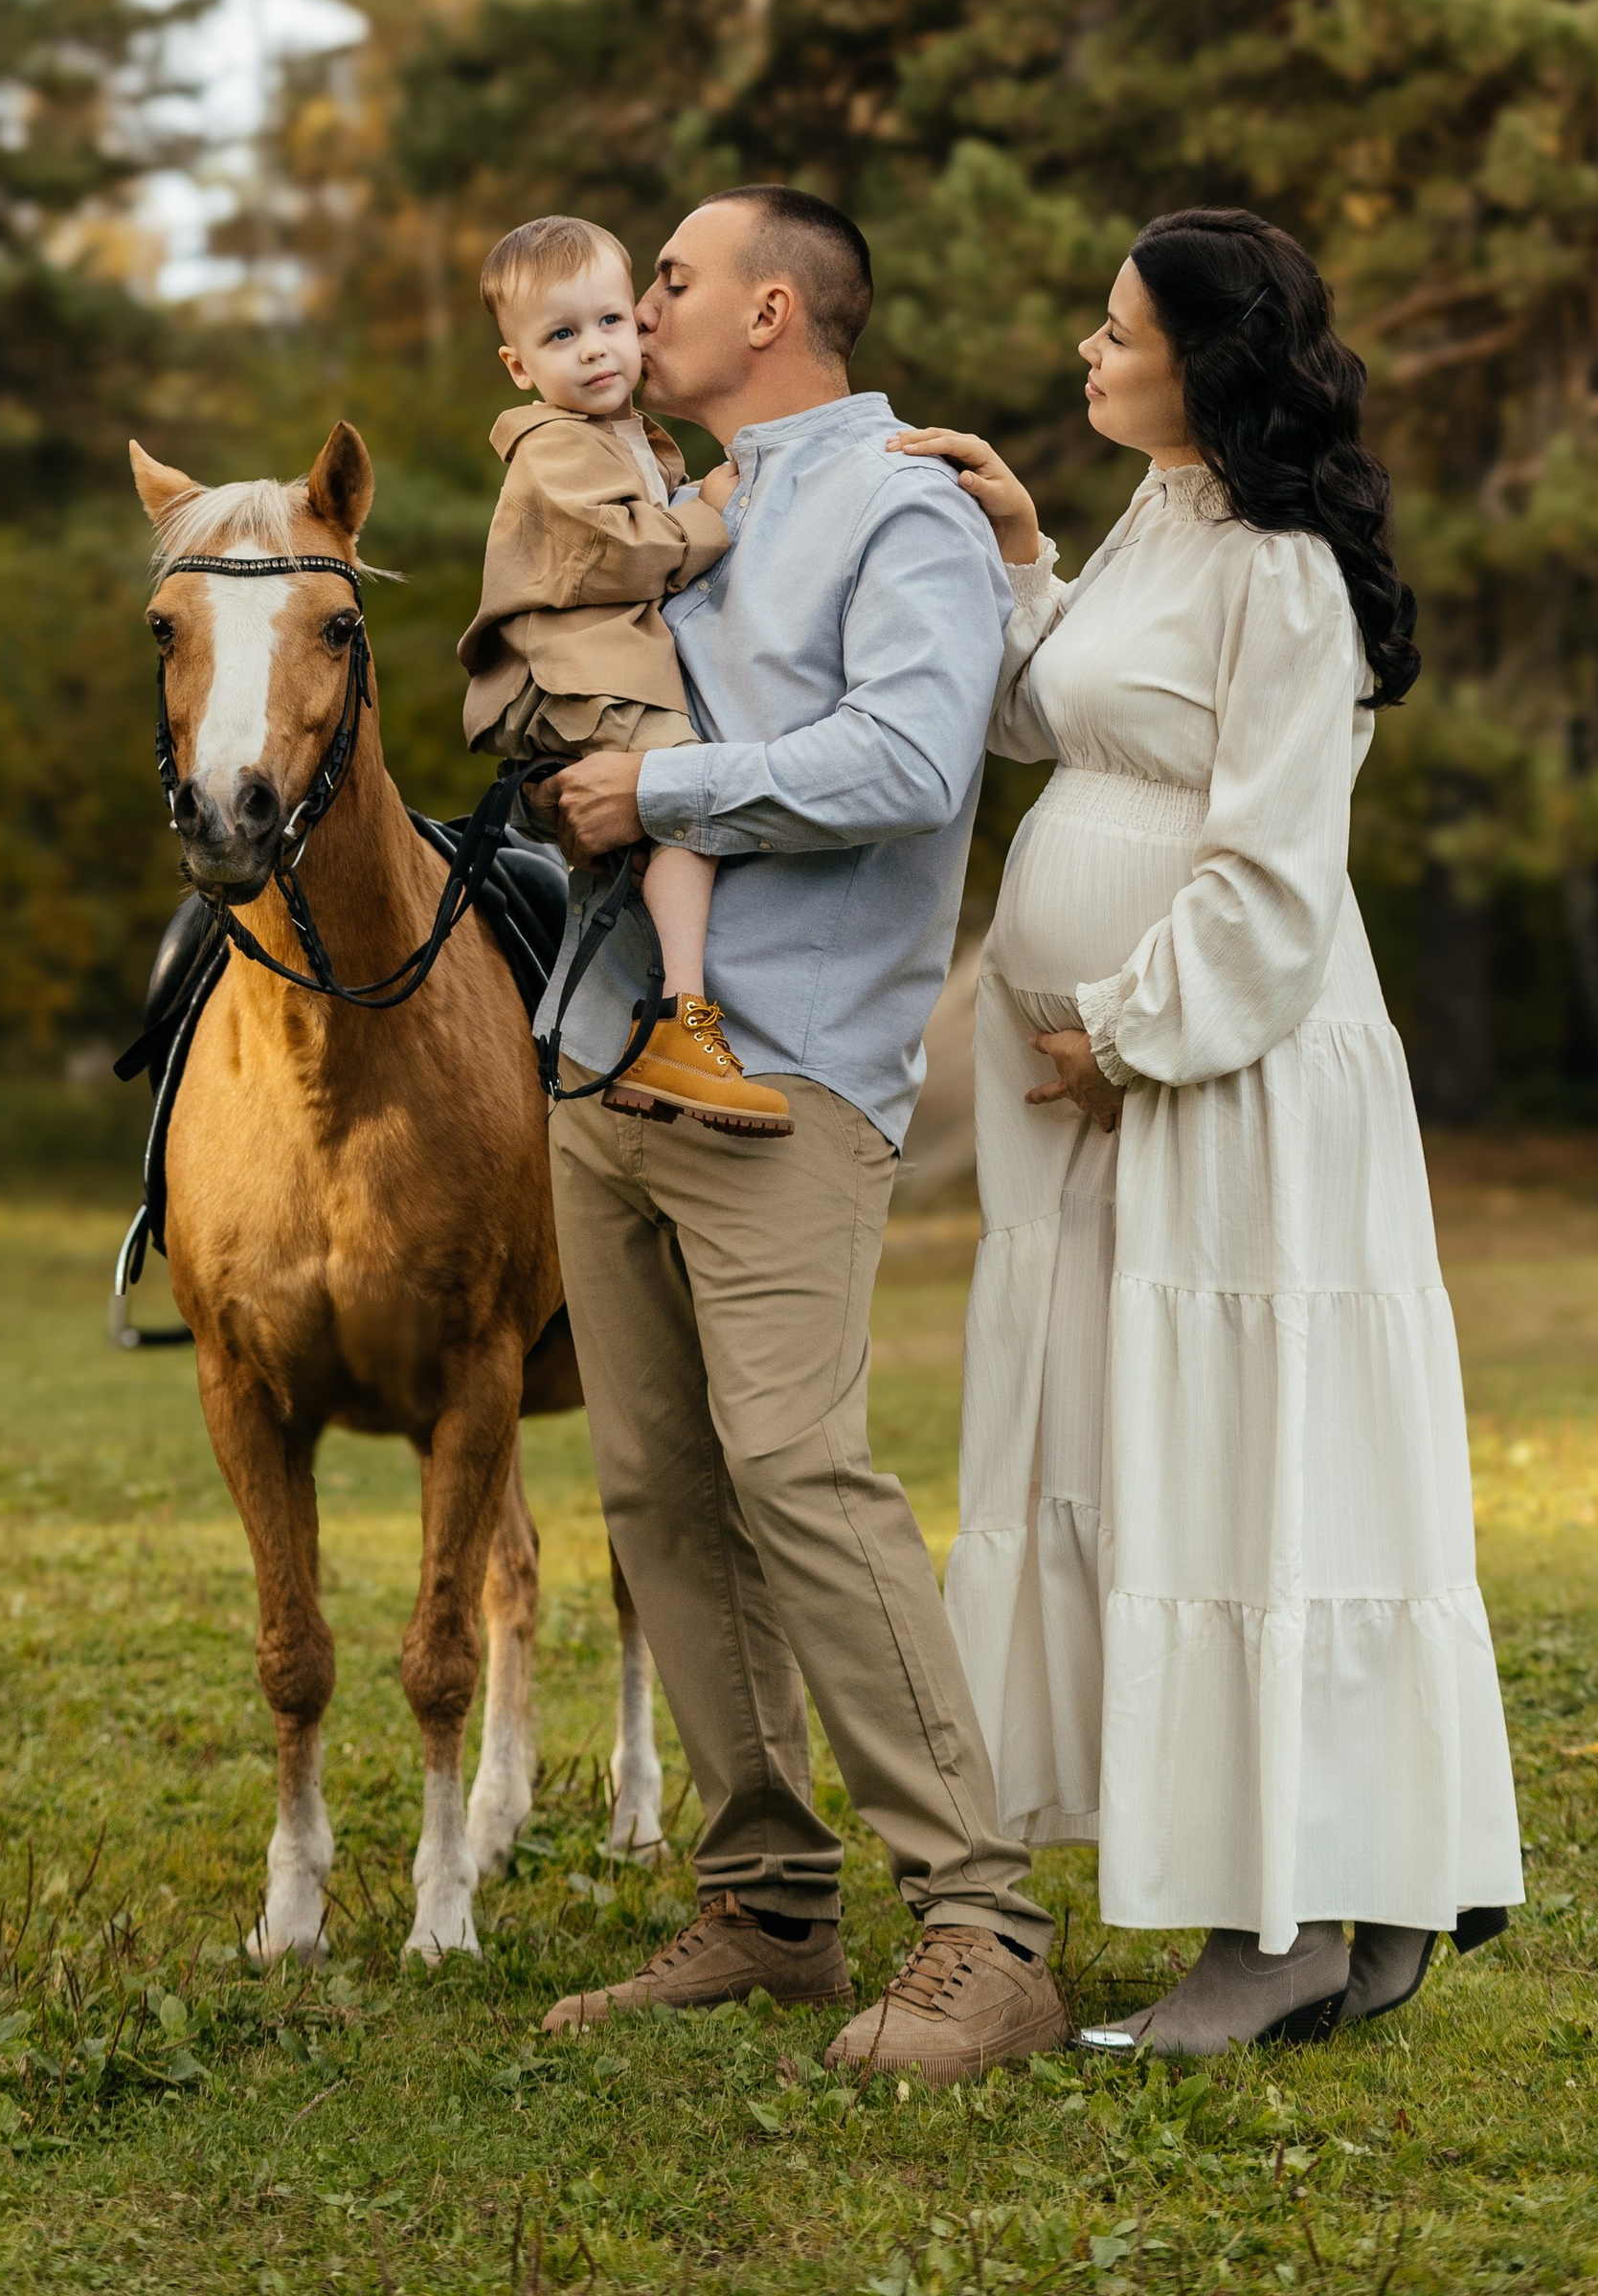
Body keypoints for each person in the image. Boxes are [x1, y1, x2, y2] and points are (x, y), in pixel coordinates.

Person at [893, 207, 1522, 2054]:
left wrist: (1131, 1035)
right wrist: (1021, 553)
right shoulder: (1158, 522)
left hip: (1228, 1083)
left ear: (1206, 362)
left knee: (1247, 1472)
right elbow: (1044, 721)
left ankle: (1279, 1936)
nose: (1086, 355)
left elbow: (1273, 870)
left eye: (1115, 332)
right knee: (1143, 1459)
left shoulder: (1286, 574)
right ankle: (1363, 1890)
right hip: (1107, 1103)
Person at [530, 186, 1069, 2082]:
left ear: (769, 309)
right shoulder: (660, 497)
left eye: (666, 279)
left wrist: (661, 783)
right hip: (604, 1059)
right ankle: (766, 1905)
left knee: (797, 1474)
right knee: (660, 1493)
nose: (635, 304)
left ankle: (983, 1926)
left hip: (782, 1076)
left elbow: (920, 762)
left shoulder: (892, 503)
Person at [460, 214, 790, 1132]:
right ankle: (684, 1017)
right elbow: (621, 549)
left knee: (643, 835)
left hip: (598, 667)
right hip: (573, 675)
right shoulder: (555, 444)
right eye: (561, 337)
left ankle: (641, 1039)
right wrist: (710, 514)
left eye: (609, 323)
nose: (596, 351)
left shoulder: (625, 434)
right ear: (520, 367)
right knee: (679, 795)